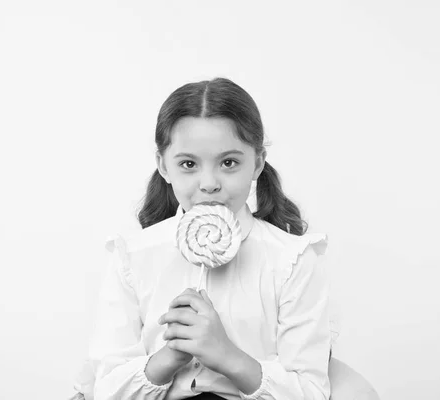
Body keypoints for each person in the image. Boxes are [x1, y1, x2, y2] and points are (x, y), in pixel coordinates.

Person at [73, 77, 332, 400]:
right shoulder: (133, 257)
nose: (209, 183)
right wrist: (169, 357)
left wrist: (225, 355)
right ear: (163, 167)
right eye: (189, 164)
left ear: (258, 163)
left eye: (228, 163)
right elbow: (105, 390)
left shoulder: (292, 260)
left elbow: (310, 391)